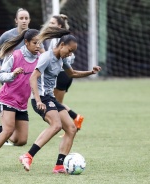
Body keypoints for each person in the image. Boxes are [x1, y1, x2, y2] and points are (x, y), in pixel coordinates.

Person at [19, 27, 102, 173]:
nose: (70, 54)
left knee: (71, 128)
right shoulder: (46, 57)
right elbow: (33, 78)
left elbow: (73, 73)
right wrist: (38, 100)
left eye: (72, 52)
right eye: (69, 50)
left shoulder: (61, 59)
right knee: (56, 125)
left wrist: (91, 72)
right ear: (62, 45)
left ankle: (59, 166)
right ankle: (27, 156)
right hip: (41, 97)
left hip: (50, 97)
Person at [0, 8, 44, 146]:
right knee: (10, 127)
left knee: (20, 139)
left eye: (26, 18)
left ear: (29, 20)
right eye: (21, 18)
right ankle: (3, 133)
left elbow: (45, 55)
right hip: (9, 80)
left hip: (25, 83)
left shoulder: (34, 37)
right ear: (16, 20)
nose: (24, 21)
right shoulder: (8, 35)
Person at [0, 29, 40, 171]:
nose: (38, 46)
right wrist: (12, 74)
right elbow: (0, 76)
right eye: (35, 43)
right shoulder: (15, 55)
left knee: (21, 140)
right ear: (27, 42)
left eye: (39, 43)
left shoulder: (39, 58)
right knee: (8, 131)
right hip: (7, 99)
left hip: (22, 103)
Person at [47, 14, 84, 133]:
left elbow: (52, 56)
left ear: (59, 25)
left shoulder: (58, 39)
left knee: (55, 103)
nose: (50, 25)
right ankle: (74, 119)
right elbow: (71, 56)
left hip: (61, 75)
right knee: (57, 103)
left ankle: (72, 121)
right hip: (66, 74)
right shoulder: (65, 38)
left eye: (52, 23)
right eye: (50, 22)